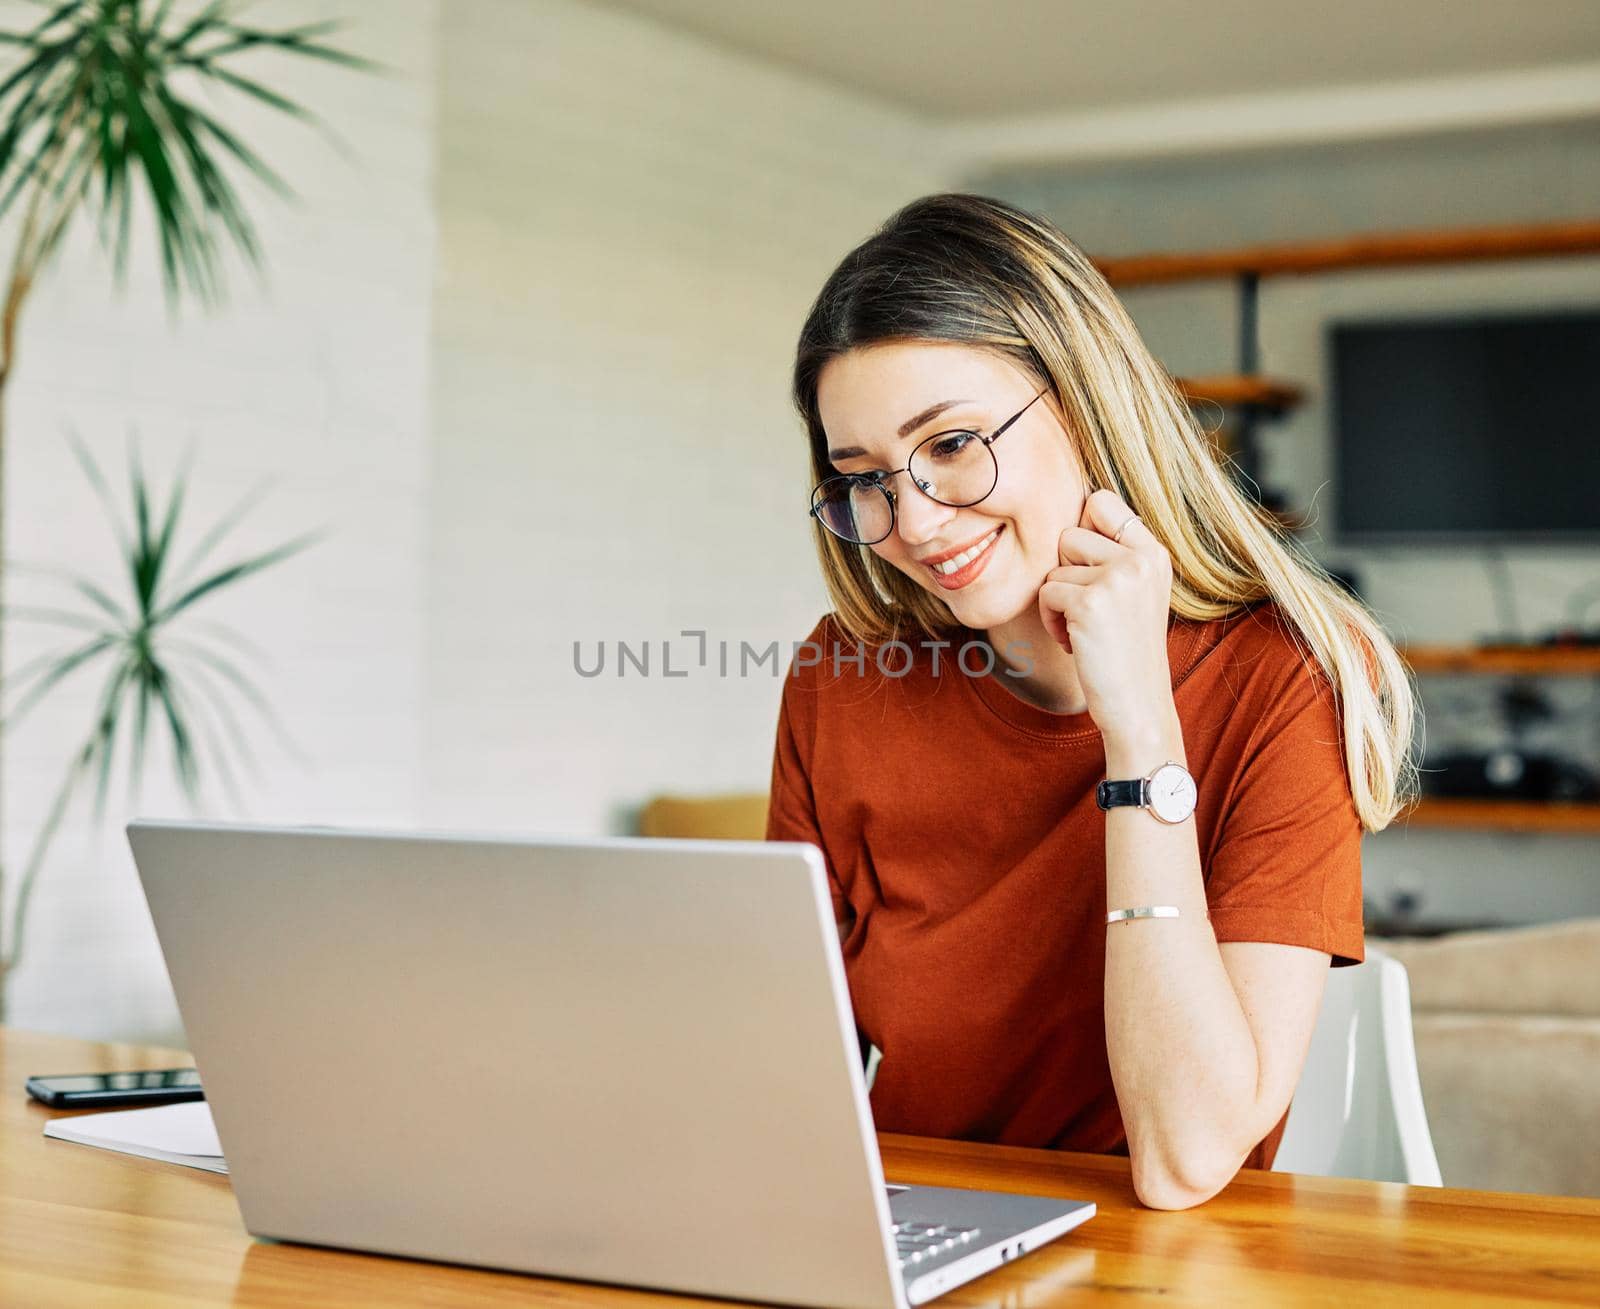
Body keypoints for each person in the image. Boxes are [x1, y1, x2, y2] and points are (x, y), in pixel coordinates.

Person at [765, 193, 1419, 1211]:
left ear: (1083, 401)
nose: (916, 521)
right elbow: (787, 1064)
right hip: (897, 1232)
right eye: (865, 478)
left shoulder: (1286, 677)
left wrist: (1140, 731)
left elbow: (1186, 1157)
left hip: (1149, 1262)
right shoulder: (842, 671)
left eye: (949, 444)